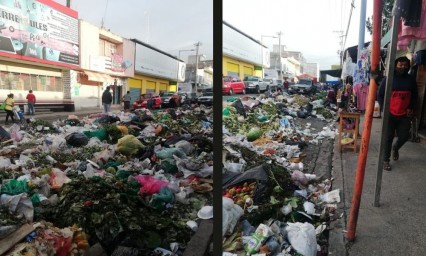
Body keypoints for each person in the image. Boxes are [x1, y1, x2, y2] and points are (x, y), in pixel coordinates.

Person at [378, 56, 418, 171]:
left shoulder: (411, 79)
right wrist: (383, 109)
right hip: (389, 114)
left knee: (405, 136)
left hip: (404, 114)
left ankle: (396, 148)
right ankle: (386, 160)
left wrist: (411, 107)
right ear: (395, 65)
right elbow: (380, 95)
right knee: (388, 137)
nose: (403, 67)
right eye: (401, 65)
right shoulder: (388, 78)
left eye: (405, 65)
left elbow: (415, 95)